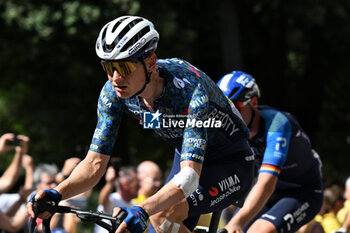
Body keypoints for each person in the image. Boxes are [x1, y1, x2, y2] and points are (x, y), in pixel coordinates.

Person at [28, 15, 255, 233]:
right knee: (141, 224)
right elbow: (95, 163)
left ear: (151, 62)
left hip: (231, 161)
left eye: (124, 67)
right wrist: (56, 194)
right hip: (186, 156)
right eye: (108, 67)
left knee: (160, 215)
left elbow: (190, 177)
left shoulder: (189, 89)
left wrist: (142, 209)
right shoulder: (113, 94)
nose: (115, 77)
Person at [217, 71, 324, 233]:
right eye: (224, 109)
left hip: (303, 192)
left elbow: (266, 183)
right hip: (272, 191)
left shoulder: (278, 124)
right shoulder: (231, 130)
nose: (229, 116)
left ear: (253, 103)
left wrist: (236, 222)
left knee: (258, 231)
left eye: (235, 108)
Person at [94, 166, 139, 233]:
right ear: (125, 184)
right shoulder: (113, 199)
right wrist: (110, 183)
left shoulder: (134, 205)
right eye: (137, 182)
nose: (139, 186)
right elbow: (102, 201)